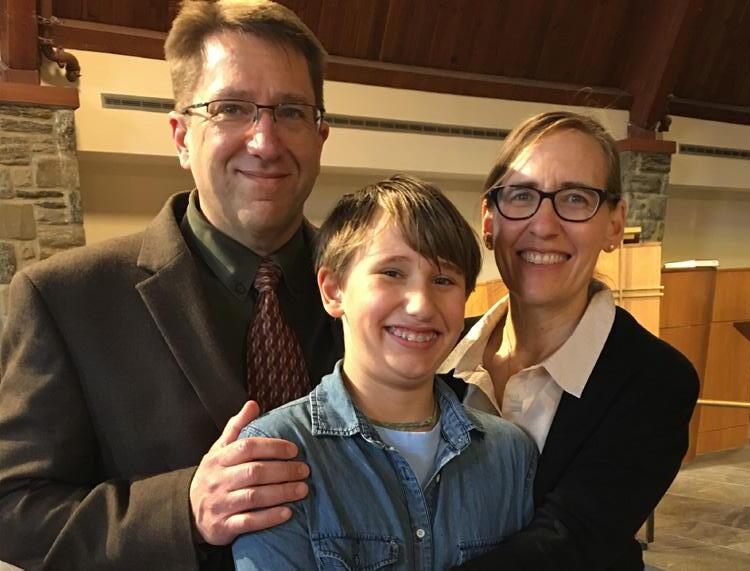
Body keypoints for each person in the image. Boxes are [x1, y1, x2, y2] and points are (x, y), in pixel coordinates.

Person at [0, 1, 342, 568]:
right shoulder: (64, 299)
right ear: (182, 137)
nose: (265, 141)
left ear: (320, 135)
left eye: (291, 111)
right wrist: (184, 510)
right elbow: (13, 511)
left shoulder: (376, 286)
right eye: (231, 108)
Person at [232, 175, 537, 569]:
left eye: (443, 280)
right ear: (333, 290)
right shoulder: (278, 451)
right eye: (392, 273)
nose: (421, 305)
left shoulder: (510, 453)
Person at [440, 111, 700, 570]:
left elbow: (565, 544)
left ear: (614, 224)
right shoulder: (436, 349)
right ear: (489, 221)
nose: (544, 225)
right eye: (522, 195)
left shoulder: (656, 379)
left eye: (576, 198)